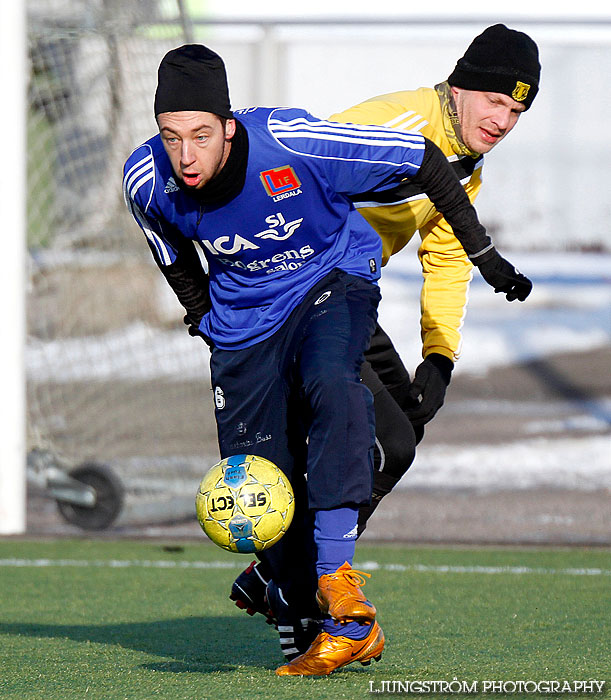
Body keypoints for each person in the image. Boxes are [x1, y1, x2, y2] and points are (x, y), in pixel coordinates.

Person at [123, 43, 530, 676]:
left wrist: (448, 339)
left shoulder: (439, 159)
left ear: (227, 128)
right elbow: (173, 250)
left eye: (200, 135)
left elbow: (436, 220)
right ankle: (293, 594)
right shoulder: (150, 180)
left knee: (362, 410)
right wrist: (208, 321)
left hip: (333, 280)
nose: (186, 154)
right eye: (171, 137)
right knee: (263, 470)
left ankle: (327, 578)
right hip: (253, 317)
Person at [230, 22, 540, 660]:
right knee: (368, 435)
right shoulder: (396, 122)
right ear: (459, 87)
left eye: (517, 110)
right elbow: (294, 171)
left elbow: (449, 259)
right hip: (296, 298)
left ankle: (286, 572)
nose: (504, 120)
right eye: (495, 101)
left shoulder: (467, 168)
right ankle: (295, 582)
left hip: (349, 296)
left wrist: (441, 354)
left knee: (401, 432)